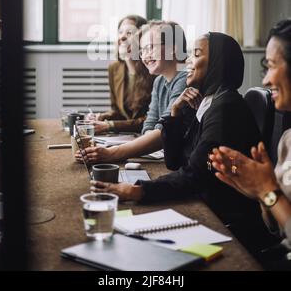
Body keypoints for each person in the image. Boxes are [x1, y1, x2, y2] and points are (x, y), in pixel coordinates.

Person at [90, 32, 271, 247]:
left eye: (196, 55)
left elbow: (195, 174)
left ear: (217, 63)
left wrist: (138, 190)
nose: (188, 61)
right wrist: (175, 113)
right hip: (207, 206)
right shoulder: (207, 103)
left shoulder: (226, 108)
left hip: (228, 223)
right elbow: (174, 161)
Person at [209, 20, 291, 268]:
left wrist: (268, 190)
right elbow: (278, 229)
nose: (265, 80)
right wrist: (259, 193)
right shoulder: (287, 141)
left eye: (271, 66)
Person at [76, 20, 187, 163]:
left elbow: (163, 132)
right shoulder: (159, 81)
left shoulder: (185, 79)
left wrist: (111, 153)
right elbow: (150, 124)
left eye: (150, 47)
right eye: (142, 51)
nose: (145, 56)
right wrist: (150, 144)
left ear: (173, 48)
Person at [90, 15, 155, 134]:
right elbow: (118, 111)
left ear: (143, 39)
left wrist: (110, 125)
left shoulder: (154, 71)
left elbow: (151, 120)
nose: (122, 37)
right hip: (125, 137)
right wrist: (103, 117)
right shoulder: (114, 69)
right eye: (120, 32)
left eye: (129, 33)